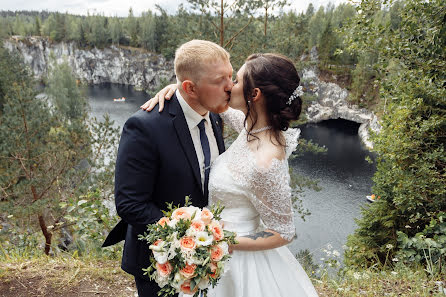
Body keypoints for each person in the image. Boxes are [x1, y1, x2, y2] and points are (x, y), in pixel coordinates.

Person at [141, 53, 319, 297]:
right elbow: (212, 103)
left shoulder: (266, 160)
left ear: (254, 95)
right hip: (218, 253)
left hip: (241, 262)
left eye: (236, 81)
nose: (229, 87)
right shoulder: (252, 126)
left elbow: (284, 232)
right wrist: (179, 89)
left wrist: (220, 241)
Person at [102, 40, 233, 297]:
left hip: (209, 263)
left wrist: (206, 246)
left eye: (231, 75)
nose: (230, 86)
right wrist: (186, 239)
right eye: (220, 80)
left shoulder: (215, 115)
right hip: (159, 264)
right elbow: (129, 203)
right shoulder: (144, 127)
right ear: (190, 88)